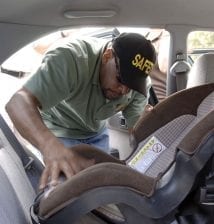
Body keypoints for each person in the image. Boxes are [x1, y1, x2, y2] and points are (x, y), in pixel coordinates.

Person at [5, 32, 156, 190]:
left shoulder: (139, 87)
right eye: (120, 79)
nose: (124, 90)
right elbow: (17, 102)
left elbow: (137, 129)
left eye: (131, 85)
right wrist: (50, 146)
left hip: (96, 132)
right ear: (107, 55)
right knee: (68, 190)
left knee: (102, 187)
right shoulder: (70, 59)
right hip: (58, 129)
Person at [146, 29, 170, 102]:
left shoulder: (144, 39)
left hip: (150, 102)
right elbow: (165, 66)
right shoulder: (166, 36)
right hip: (163, 103)